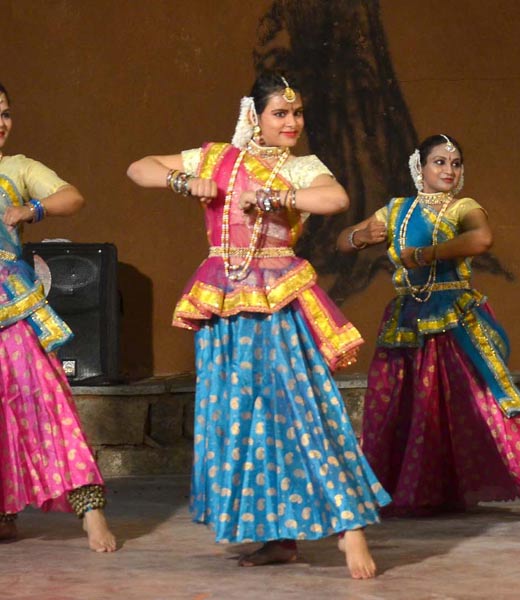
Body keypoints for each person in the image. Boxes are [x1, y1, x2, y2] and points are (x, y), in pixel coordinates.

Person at [126, 72, 390, 578]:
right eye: (280, 114)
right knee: (244, 416)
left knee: (303, 406)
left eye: (297, 113)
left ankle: (350, 528)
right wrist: (186, 181)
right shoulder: (218, 158)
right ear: (255, 116)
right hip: (224, 303)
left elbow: (332, 199)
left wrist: (272, 199)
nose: (292, 122)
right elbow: (139, 169)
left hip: (278, 300)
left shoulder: (302, 165)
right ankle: (277, 537)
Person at [336, 134, 520, 521]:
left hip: (453, 317)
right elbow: (343, 242)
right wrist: (358, 237)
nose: (449, 170)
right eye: (439, 162)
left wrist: (424, 255)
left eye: (455, 163)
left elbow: (481, 239)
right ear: (420, 168)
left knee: (488, 403)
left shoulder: (463, 207)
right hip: (408, 321)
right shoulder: (396, 210)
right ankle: (414, 492)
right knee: (406, 408)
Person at [0, 83, 117, 552]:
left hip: (11, 303)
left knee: (45, 403)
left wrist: (32, 209)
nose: (1, 123)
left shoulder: (17, 167)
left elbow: (72, 197)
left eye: (5, 112)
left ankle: (91, 514)